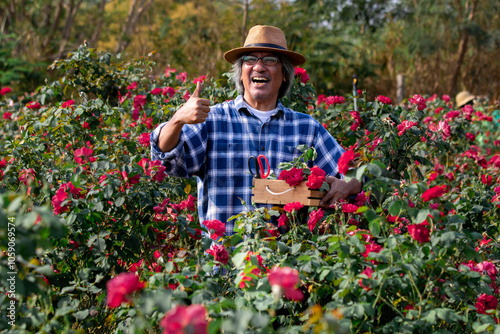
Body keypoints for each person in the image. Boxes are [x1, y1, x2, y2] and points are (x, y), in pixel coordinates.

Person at [150, 25, 361, 237]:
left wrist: (348, 185)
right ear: (241, 73)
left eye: (270, 60)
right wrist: (177, 120)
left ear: (285, 74)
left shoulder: (306, 128)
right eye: (250, 60)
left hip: (285, 262)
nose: (259, 67)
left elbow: (356, 174)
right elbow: (166, 158)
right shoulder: (213, 120)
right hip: (225, 263)